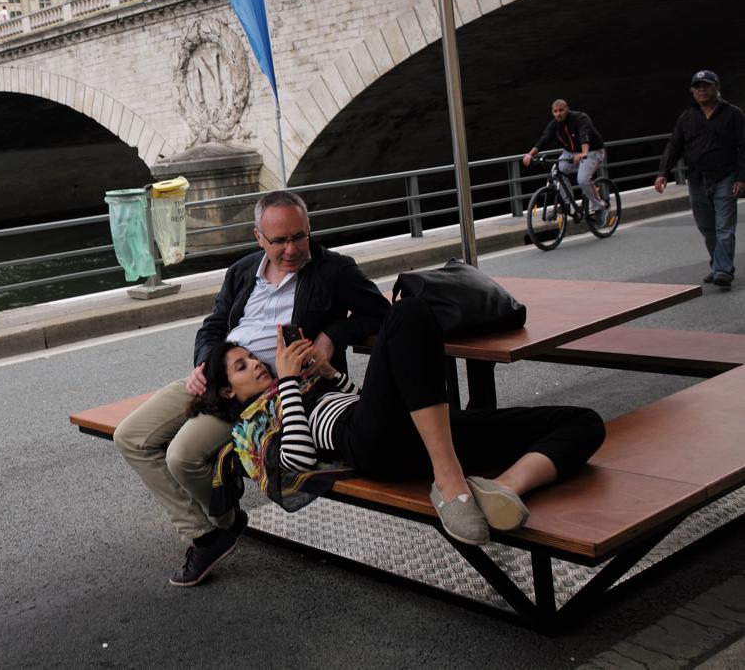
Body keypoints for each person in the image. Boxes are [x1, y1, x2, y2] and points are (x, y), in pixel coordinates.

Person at [113, 191, 389, 586]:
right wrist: (205, 365)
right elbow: (213, 325)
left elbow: (378, 311)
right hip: (220, 374)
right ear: (258, 236)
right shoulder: (243, 270)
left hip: (269, 392)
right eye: (279, 241)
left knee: (181, 456)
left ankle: (214, 525)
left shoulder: (334, 271)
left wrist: (332, 335)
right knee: (130, 437)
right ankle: (211, 530)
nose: (291, 249)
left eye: (299, 236)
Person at [196, 297, 605, 547]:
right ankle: (450, 483)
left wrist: (328, 376)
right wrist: (287, 380)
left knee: (583, 422)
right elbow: (300, 459)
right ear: (228, 391)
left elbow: (358, 401)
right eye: (241, 366)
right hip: (372, 446)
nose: (255, 364)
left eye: (251, 357)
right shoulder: (251, 429)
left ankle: (501, 490)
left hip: (422, 434)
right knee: (407, 311)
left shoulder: (299, 388)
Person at [654, 70, 745, 289]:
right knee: (707, 227)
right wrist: (662, 173)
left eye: (706, 85)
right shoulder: (687, 117)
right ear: (692, 92)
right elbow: (674, 146)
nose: (702, 90)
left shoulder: (733, 114)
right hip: (697, 179)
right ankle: (718, 265)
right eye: (697, 87)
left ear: (717, 87)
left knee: (725, 227)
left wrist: (742, 177)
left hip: (725, 177)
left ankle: (723, 271)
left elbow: (744, 147)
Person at [522, 99, 610, 226]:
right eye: (555, 111)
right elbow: (544, 139)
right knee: (556, 171)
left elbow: (584, 135)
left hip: (592, 151)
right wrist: (530, 154)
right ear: (552, 112)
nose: (558, 114)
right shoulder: (554, 125)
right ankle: (567, 205)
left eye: (561, 110)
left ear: (567, 109)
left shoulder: (580, 118)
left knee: (583, 180)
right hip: (571, 153)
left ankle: (601, 206)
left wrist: (584, 153)